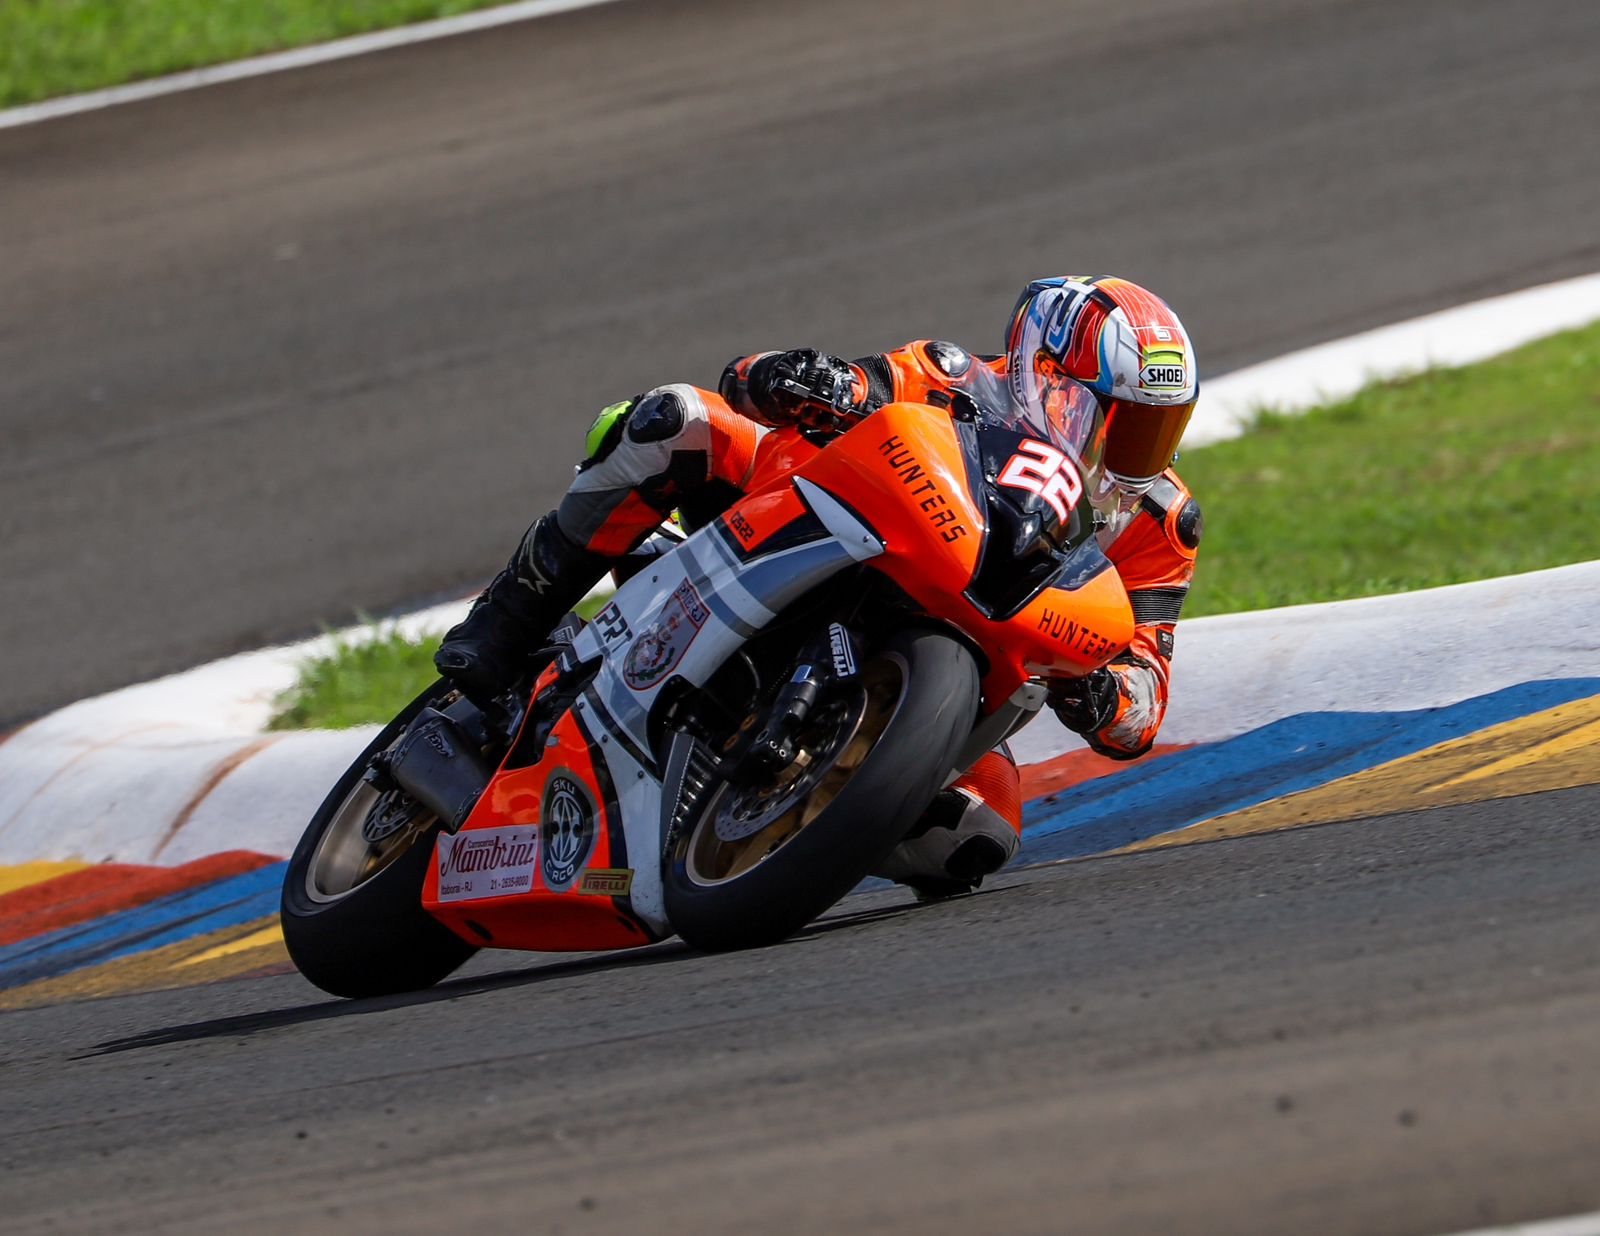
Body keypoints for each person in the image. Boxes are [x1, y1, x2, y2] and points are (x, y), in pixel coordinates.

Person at [435, 276, 1202, 894]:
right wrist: (802, 378)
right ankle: (505, 622)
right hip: (804, 532)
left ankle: (784, 824)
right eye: (1125, 419)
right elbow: (809, 386)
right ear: (1047, 371)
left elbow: (1146, 690)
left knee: (975, 834)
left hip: (956, 663)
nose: (1137, 451)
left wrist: (1106, 695)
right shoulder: (951, 377)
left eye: (1157, 428)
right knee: (674, 419)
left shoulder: (1159, 522)